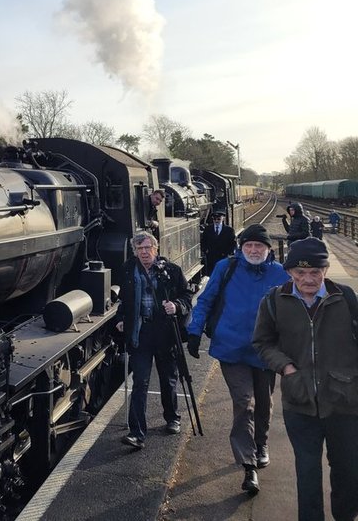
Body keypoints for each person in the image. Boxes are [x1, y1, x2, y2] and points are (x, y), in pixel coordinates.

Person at [253, 238, 358, 521]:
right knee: (308, 473)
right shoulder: (274, 300)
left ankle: (345, 516)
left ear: (325, 270)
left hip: (345, 401)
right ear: (289, 272)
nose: (307, 279)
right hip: (299, 402)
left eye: (314, 272)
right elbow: (263, 343)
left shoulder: (346, 298)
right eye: (300, 273)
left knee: (349, 471)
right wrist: (286, 367)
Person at [186, 224, 289, 494]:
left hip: (266, 351)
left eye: (259, 246)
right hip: (232, 348)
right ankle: (249, 465)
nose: (253, 250)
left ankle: (261, 442)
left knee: (264, 402)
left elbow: (296, 309)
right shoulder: (226, 267)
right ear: (241, 248)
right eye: (248, 246)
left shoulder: (280, 274)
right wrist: (194, 331)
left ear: (268, 250)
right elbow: (206, 300)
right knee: (244, 402)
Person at [115, 231, 193, 449]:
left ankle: (172, 418)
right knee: (140, 382)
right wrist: (121, 319)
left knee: (168, 378)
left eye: (148, 248)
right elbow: (124, 301)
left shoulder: (171, 271)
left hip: (166, 333)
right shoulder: (128, 270)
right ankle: (136, 433)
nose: (144, 252)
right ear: (135, 251)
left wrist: (176, 306)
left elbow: (187, 296)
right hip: (141, 334)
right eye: (140, 249)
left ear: (156, 249)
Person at [200, 211, 237, 277]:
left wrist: (228, 253)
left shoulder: (229, 230)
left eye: (218, 219)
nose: (216, 221)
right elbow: (203, 241)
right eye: (214, 219)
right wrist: (205, 250)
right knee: (212, 276)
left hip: (224, 257)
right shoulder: (208, 229)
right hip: (211, 258)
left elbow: (233, 244)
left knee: (223, 276)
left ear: (223, 218)